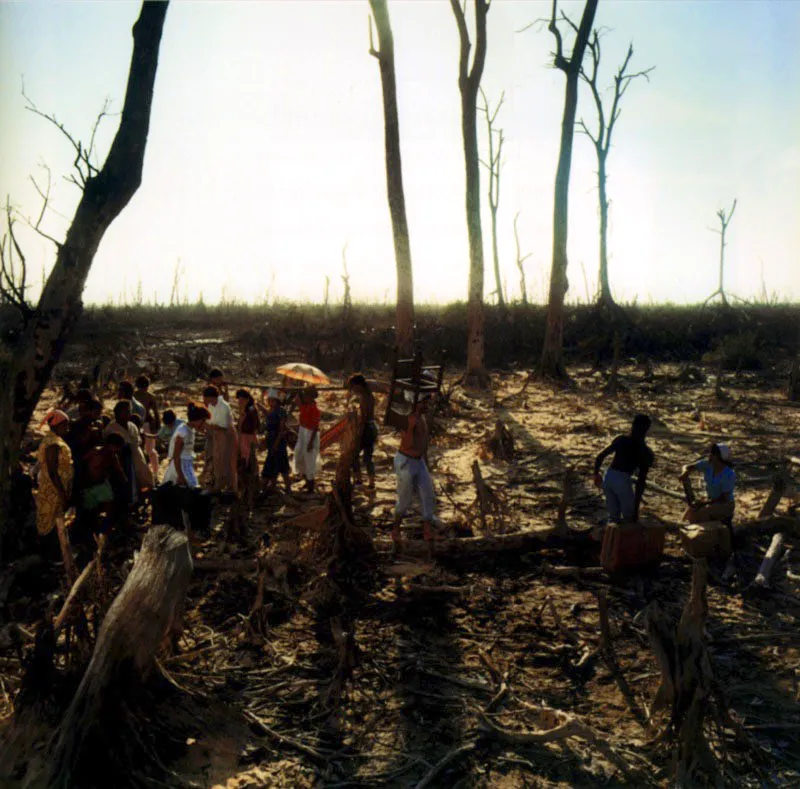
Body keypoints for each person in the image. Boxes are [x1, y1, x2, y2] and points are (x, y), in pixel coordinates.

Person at [393, 394, 437, 548]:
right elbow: (407, 445)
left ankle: (427, 529)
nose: (427, 404)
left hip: (419, 461)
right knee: (404, 498)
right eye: (424, 402)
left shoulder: (421, 418)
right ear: (416, 403)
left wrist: (425, 463)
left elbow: (422, 443)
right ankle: (396, 529)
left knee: (428, 494)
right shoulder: (411, 419)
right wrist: (411, 428)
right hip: (406, 461)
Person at [593, 414, 654, 523]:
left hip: (609, 476)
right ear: (647, 429)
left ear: (632, 425)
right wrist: (635, 510)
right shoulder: (645, 452)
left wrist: (596, 474)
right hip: (623, 479)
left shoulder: (621, 440)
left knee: (613, 517)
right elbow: (640, 482)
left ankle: (610, 538)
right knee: (629, 518)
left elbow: (600, 456)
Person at [36, 411, 74, 570]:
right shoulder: (52, 444)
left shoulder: (55, 440)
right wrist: (62, 493)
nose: (67, 428)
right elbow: (52, 472)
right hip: (52, 491)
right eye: (65, 424)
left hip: (54, 489)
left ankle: (56, 556)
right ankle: (51, 558)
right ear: (56, 425)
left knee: (56, 519)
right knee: (50, 522)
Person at [103, 400, 154, 507]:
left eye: (129, 411)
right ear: (117, 413)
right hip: (124, 463)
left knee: (146, 482)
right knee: (129, 487)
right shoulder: (111, 428)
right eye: (125, 412)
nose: (128, 414)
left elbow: (138, 443)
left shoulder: (132, 426)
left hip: (138, 460)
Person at [679, 443, 736, 524]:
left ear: (719, 457)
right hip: (711, 500)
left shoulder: (729, 474)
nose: (710, 455)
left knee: (702, 513)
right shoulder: (708, 464)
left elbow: (724, 497)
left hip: (725, 505)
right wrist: (685, 472)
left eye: (712, 454)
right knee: (691, 509)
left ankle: (699, 532)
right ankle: (685, 527)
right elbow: (687, 467)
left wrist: (704, 503)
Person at [162, 403, 210, 488]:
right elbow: (176, 456)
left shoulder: (191, 431)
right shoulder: (183, 432)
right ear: (197, 420)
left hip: (187, 466)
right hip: (179, 468)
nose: (203, 425)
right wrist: (180, 476)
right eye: (202, 421)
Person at [203, 385, 237, 492]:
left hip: (226, 436)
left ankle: (226, 487)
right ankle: (216, 484)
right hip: (215, 436)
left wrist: (211, 426)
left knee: (225, 462)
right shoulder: (211, 406)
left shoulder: (223, 406)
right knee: (214, 461)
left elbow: (223, 426)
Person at [348, 374, 378, 489]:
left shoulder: (365, 398)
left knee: (354, 455)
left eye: (353, 387)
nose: (353, 390)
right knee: (367, 457)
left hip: (366, 428)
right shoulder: (368, 396)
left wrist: (358, 433)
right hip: (371, 427)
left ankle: (359, 480)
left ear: (358, 386)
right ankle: (371, 482)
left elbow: (364, 418)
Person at [262, 388, 291, 493]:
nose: (269, 402)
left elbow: (281, 429)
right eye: (268, 400)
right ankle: (272, 486)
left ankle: (287, 488)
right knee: (274, 464)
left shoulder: (281, 412)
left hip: (278, 442)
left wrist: (276, 443)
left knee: (281, 465)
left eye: (271, 400)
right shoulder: (272, 411)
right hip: (271, 440)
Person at [134, 375, 161, 483]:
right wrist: (158, 427)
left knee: (139, 450)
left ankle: (144, 475)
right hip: (146, 425)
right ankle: (155, 475)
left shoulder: (133, 396)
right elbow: (156, 413)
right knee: (150, 451)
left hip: (137, 425)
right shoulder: (150, 396)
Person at [294, 386, 321, 492]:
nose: (303, 397)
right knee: (300, 457)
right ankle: (307, 481)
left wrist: (310, 442)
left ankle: (311, 486)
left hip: (310, 435)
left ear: (310, 397)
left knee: (309, 461)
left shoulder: (315, 409)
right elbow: (297, 400)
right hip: (303, 433)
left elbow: (315, 427)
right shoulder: (305, 406)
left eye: (305, 395)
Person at [236, 389, 260, 479]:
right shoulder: (246, 409)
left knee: (249, 456)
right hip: (244, 435)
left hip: (248, 436)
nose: (240, 401)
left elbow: (255, 424)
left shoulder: (251, 409)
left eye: (241, 399)